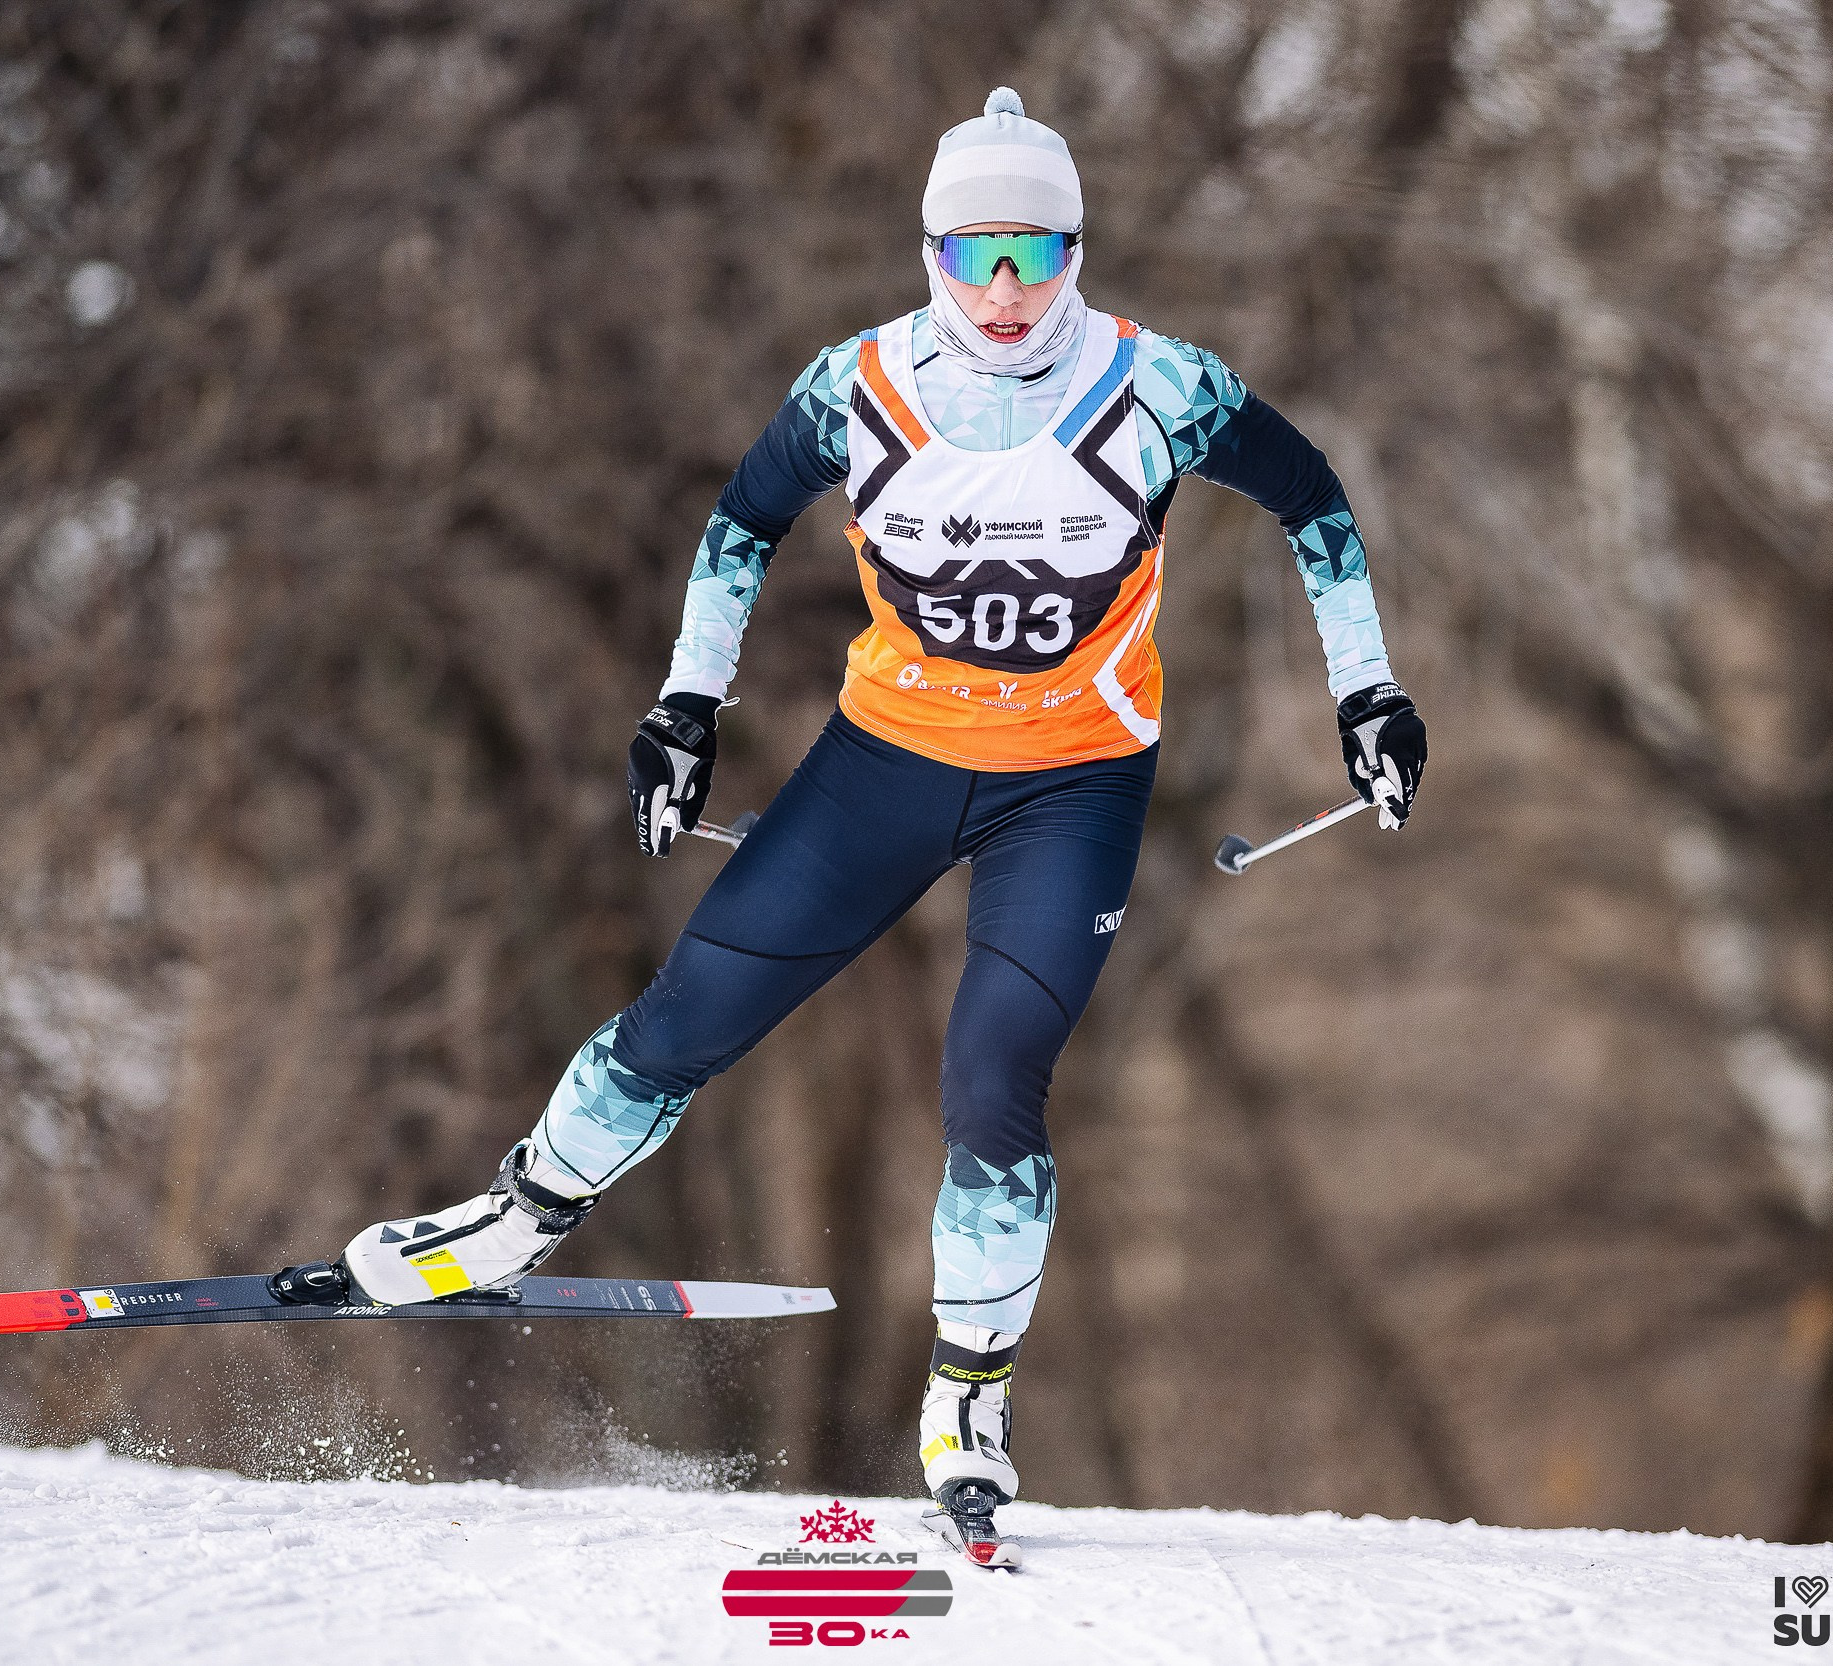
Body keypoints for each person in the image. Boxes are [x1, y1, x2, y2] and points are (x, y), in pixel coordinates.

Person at [339, 88, 1425, 1546]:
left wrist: (1371, 694)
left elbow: (1318, 506)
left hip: (1075, 782)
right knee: (682, 1020)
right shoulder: (853, 386)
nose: (1002, 292)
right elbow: (738, 527)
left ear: (1076, 252)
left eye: (1032, 255)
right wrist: (685, 706)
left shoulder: (1163, 384)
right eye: (975, 254)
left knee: (992, 1082)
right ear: (927, 252)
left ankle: (969, 1394)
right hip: (884, 763)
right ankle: (515, 1221)